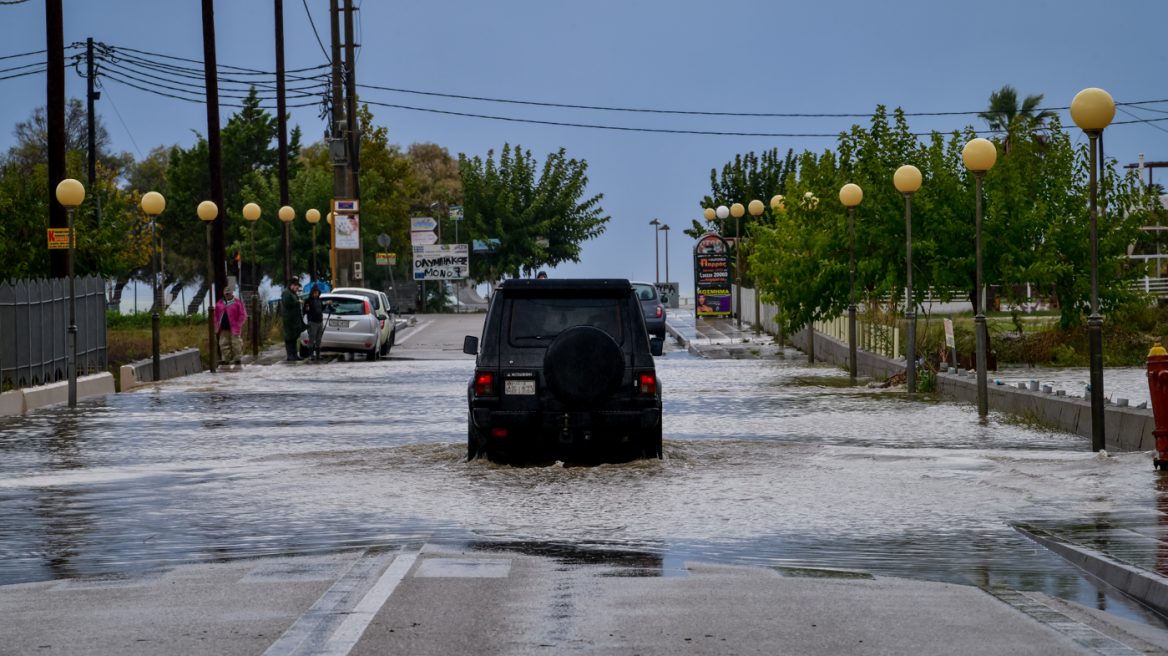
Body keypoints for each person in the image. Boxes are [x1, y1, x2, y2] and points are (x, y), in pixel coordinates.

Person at [214, 285, 248, 366]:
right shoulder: (219, 303)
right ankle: (225, 359)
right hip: (223, 328)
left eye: (229, 293)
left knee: (236, 344)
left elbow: (243, 314)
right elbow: (215, 315)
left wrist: (238, 324)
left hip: (234, 328)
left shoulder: (238, 302)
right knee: (224, 344)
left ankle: (237, 359)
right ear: (224, 294)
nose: (227, 295)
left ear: (232, 293)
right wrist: (216, 324)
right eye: (226, 294)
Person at [282, 279, 306, 362]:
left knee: (294, 337)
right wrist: (297, 302)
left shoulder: (293, 293)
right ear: (292, 285)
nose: (297, 290)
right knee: (289, 337)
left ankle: (295, 355)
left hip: (294, 319)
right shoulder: (286, 293)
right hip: (289, 319)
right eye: (296, 288)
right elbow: (287, 304)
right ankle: (290, 355)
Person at [303, 286, 326, 361]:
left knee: (318, 339)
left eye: (317, 293)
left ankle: (318, 355)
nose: (316, 294)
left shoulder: (319, 300)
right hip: (312, 322)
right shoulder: (308, 300)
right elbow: (304, 311)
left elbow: (321, 308)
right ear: (312, 293)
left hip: (320, 321)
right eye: (315, 293)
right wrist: (306, 309)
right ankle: (310, 355)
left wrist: (326, 304)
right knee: (311, 338)